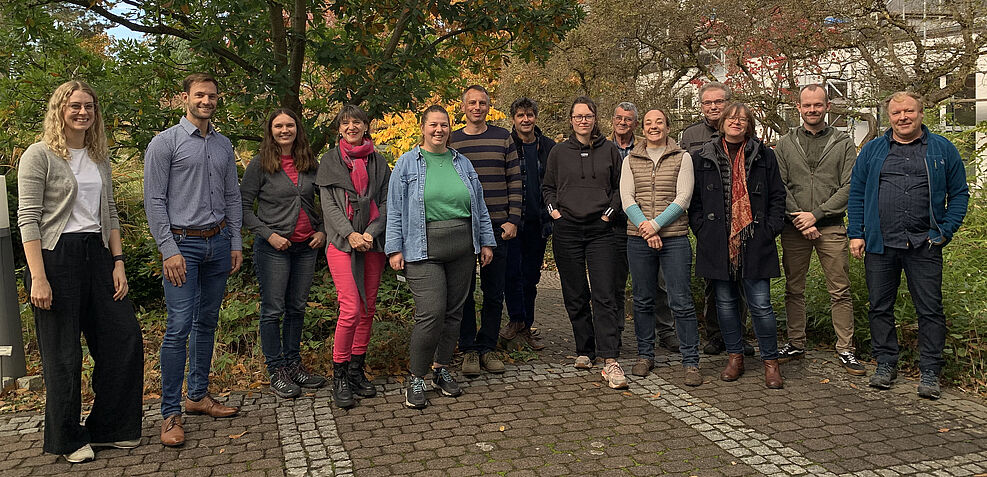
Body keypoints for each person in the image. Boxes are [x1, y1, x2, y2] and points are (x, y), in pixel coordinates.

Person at [17, 80, 143, 463]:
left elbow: (111, 215)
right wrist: (38, 277)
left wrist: (118, 262)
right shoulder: (39, 155)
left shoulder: (98, 155)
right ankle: (67, 438)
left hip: (99, 255)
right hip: (56, 259)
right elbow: (29, 219)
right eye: (75, 106)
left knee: (123, 339)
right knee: (64, 356)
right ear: (60, 109)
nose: (83, 112)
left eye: (89, 106)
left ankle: (110, 427)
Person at [848, 91, 969, 400]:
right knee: (879, 307)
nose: (903, 117)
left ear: (921, 113)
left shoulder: (942, 150)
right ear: (889, 116)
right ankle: (886, 364)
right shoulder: (873, 150)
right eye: (896, 113)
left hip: (924, 244)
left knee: (929, 310)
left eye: (909, 112)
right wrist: (856, 233)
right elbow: (858, 193)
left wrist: (946, 231)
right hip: (880, 242)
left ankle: (930, 371)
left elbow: (959, 194)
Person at [144, 73, 242, 447]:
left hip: (217, 243)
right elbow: (154, 201)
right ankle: (170, 413)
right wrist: (168, 249)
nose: (207, 101)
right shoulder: (164, 144)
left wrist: (235, 241)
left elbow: (233, 197)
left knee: (207, 321)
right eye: (200, 95)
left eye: (212, 96)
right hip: (181, 246)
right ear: (184, 97)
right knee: (179, 325)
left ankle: (198, 396)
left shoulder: (223, 145)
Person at [385, 105, 496, 409]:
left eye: (444, 125)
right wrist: (394, 248)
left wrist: (486, 242)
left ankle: (441, 369)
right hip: (422, 251)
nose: (439, 130)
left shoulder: (462, 163)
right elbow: (393, 210)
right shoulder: (407, 164)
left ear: (450, 128)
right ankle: (416, 376)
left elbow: (480, 206)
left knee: (454, 314)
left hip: (462, 249)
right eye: (433, 125)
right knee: (431, 313)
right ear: (422, 128)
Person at [690, 102, 786, 389]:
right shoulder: (703, 156)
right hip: (717, 241)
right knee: (726, 305)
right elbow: (693, 201)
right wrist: (703, 230)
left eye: (742, 119)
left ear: (749, 125)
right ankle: (735, 358)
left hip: (755, 239)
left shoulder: (764, 155)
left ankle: (770, 362)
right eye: (732, 118)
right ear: (722, 123)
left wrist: (770, 229)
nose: (736, 122)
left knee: (761, 304)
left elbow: (778, 196)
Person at [774, 85, 863, 375]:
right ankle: (795, 343)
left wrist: (816, 215)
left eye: (818, 105)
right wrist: (801, 219)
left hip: (832, 227)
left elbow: (850, 185)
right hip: (794, 228)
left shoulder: (844, 142)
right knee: (793, 289)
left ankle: (846, 349)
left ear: (827, 106)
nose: (812, 110)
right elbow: (780, 185)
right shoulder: (785, 143)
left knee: (840, 290)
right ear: (797, 107)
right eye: (807, 105)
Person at [240, 108, 327, 401]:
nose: (284, 130)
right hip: (274, 248)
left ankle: (293, 364)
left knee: (297, 308)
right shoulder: (260, 165)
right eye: (278, 126)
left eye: (290, 125)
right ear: (271, 131)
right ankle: (276, 370)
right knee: (273, 310)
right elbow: (242, 208)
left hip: (306, 247)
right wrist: (268, 234)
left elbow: (326, 200)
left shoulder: (309, 163)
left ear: (297, 129)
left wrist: (323, 230)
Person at [543, 96, 627, 389]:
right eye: (577, 116)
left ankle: (609, 357)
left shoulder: (609, 151)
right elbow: (548, 187)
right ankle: (585, 349)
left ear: (594, 119)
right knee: (575, 292)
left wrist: (609, 214)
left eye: (587, 116)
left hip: (600, 230)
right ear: (571, 120)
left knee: (604, 293)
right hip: (567, 230)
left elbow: (621, 187)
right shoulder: (558, 152)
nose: (582, 121)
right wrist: (553, 210)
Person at [620, 108, 701, 384]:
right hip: (638, 238)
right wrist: (646, 227)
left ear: (667, 126)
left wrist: (655, 226)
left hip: (675, 238)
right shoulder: (631, 159)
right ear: (642, 128)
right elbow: (627, 198)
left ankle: (691, 361)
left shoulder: (683, 158)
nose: (654, 127)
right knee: (643, 299)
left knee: (681, 301)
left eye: (659, 122)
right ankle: (645, 355)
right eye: (648, 123)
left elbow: (683, 198)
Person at [317, 104, 391, 408]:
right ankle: (340, 373)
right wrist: (350, 234)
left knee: (368, 307)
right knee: (350, 308)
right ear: (339, 128)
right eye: (345, 123)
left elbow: (387, 201)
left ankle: (358, 370)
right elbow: (329, 206)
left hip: (372, 243)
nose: (351, 127)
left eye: (357, 122)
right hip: (341, 242)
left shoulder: (379, 162)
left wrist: (372, 231)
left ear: (366, 126)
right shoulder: (330, 161)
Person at [449, 85, 521, 377]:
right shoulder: (451, 141)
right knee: (464, 292)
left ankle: (487, 347)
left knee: (494, 292)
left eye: (482, 103)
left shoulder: (503, 137)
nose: (477, 107)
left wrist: (513, 218)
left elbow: (516, 180)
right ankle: (468, 349)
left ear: (488, 107)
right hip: (462, 226)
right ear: (463, 107)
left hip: (497, 226)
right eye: (472, 103)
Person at [679, 83, 754, 357]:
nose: (713, 107)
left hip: (739, 220)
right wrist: (697, 224)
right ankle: (715, 336)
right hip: (709, 221)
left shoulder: (742, 131)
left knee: (741, 281)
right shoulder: (691, 135)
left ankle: (739, 335)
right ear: (701, 105)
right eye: (707, 102)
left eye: (718, 102)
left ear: (728, 104)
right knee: (714, 283)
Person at [611, 101, 677, 356]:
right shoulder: (605, 147)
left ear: (635, 123)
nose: (623, 123)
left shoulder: (642, 148)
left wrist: (651, 225)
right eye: (619, 118)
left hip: (651, 226)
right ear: (613, 120)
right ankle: (615, 332)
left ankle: (666, 331)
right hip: (616, 226)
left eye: (629, 119)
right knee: (618, 284)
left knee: (659, 283)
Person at [500, 97, 554, 350]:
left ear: (535, 117)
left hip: (539, 222)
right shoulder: (506, 145)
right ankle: (516, 320)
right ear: (513, 119)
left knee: (531, 277)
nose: (525, 119)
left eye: (529, 115)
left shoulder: (549, 147)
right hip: (513, 223)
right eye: (520, 115)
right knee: (512, 274)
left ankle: (527, 324)